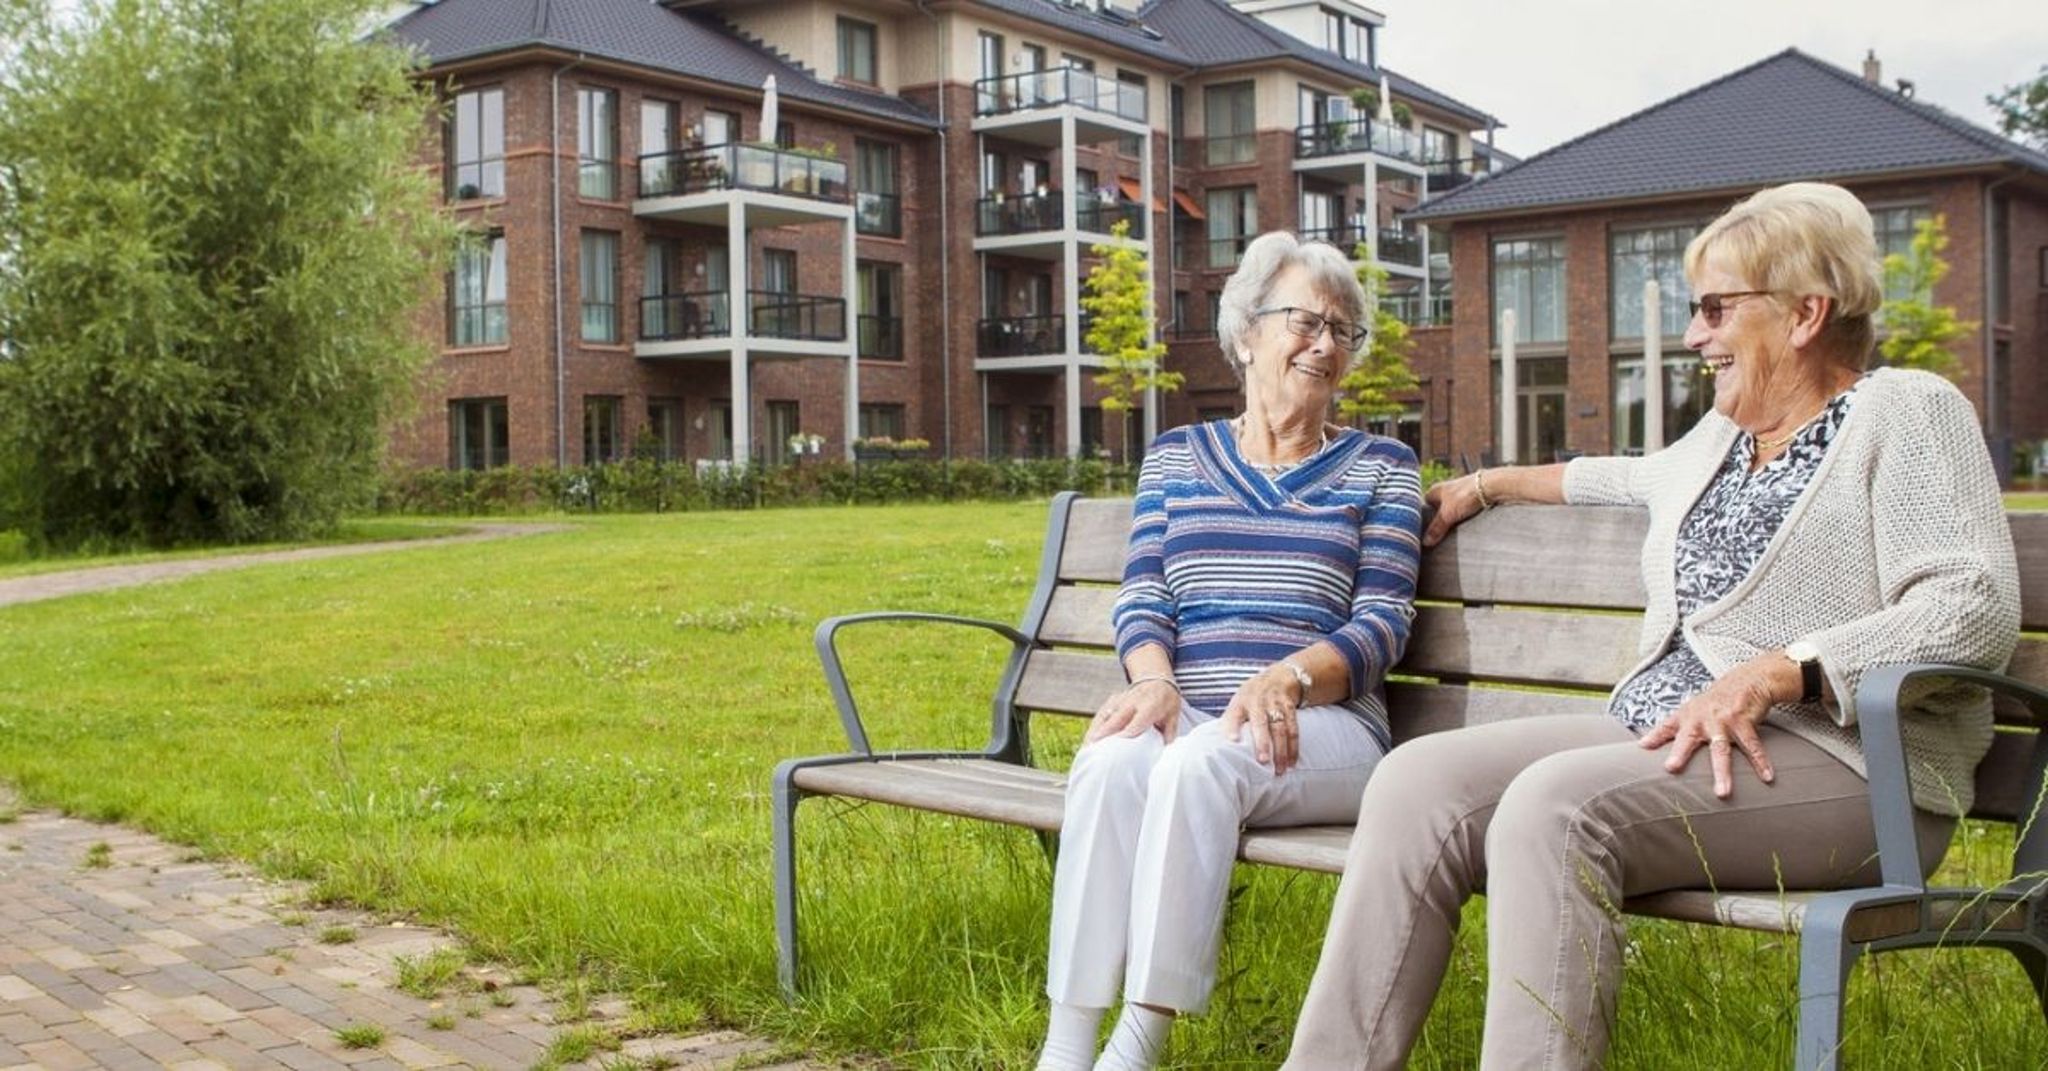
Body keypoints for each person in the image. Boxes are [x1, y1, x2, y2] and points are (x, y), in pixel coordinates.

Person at [1284, 181, 2021, 1070]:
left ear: (1805, 313)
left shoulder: (1906, 410)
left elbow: (1969, 605)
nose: (1693, 335)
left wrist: (1778, 670)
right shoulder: (1719, 437)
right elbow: (1615, 477)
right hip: (1675, 731)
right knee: (1417, 780)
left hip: (1852, 767)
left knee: (1554, 811)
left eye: (1716, 308)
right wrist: (1489, 484)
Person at [1038, 232, 1424, 1071]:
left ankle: (1137, 1047)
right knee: (1110, 761)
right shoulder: (1177, 457)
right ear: (1247, 332)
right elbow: (1144, 593)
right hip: (1198, 711)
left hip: (1325, 728)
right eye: (1305, 322)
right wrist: (1153, 683)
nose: (1324, 344)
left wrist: (1286, 678)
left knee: (1200, 763)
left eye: (1341, 331)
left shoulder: (1383, 468)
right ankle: (1065, 1046)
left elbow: (1382, 623)